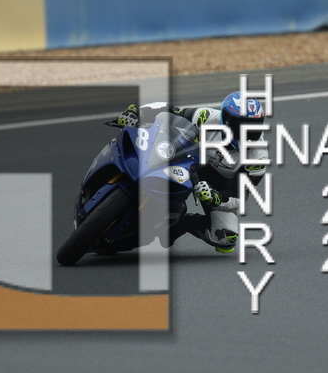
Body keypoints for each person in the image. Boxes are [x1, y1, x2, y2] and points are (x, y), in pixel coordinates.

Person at [105, 92, 268, 253]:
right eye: (242, 125)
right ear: (227, 120)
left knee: (226, 238)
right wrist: (138, 112)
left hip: (216, 186)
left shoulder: (258, 158)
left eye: (255, 126)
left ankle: (179, 223)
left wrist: (217, 197)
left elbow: (241, 195)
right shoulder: (207, 117)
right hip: (184, 160)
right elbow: (171, 110)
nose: (248, 132)